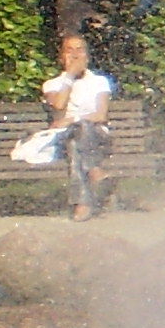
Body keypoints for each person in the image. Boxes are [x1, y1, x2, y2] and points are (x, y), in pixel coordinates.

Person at [40, 33, 114, 220]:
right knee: (73, 142)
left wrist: (73, 119)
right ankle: (94, 171)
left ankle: (82, 205)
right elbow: (58, 106)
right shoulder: (52, 84)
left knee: (80, 132)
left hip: (97, 136)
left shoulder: (99, 82)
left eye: (79, 50)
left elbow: (100, 116)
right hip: (66, 138)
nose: (74, 54)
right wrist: (69, 76)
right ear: (61, 56)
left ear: (87, 56)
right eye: (69, 50)